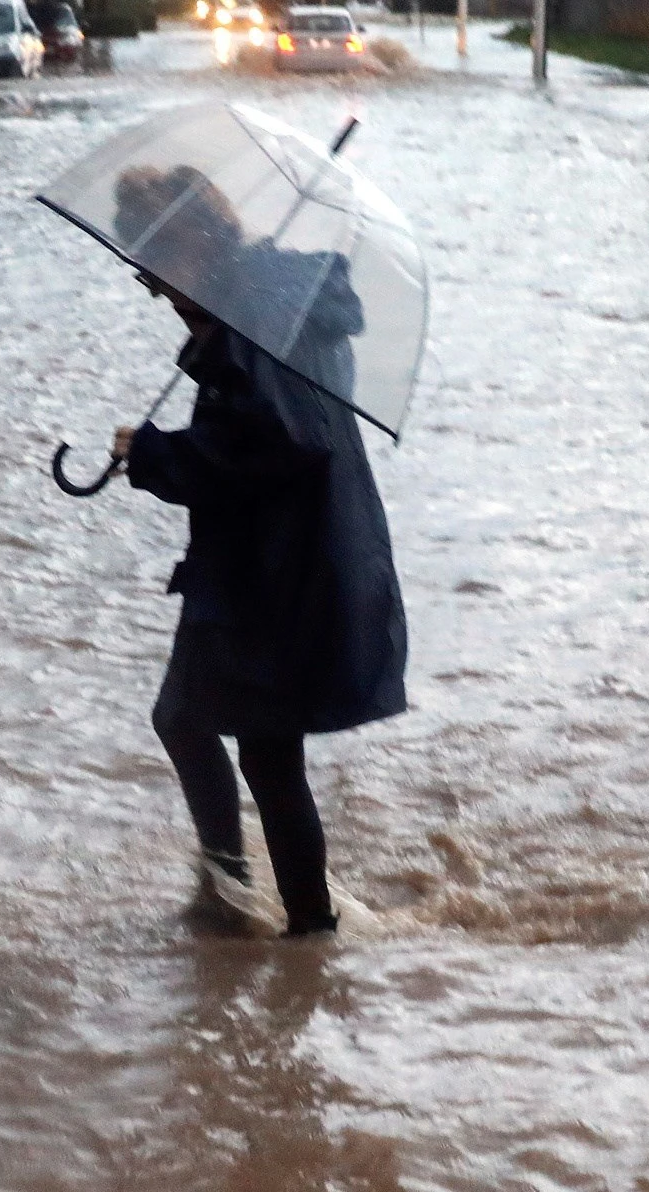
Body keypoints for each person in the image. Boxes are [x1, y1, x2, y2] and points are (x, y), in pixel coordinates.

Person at [106, 167, 407, 938]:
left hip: (283, 574)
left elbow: (280, 441)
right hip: (269, 564)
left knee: (261, 754)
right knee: (189, 719)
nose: (151, 286)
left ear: (195, 240)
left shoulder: (255, 321)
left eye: (155, 263)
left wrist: (155, 456)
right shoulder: (260, 306)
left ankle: (299, 928)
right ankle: (241, 899)